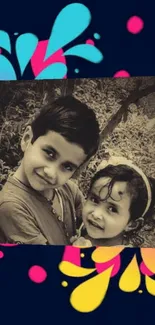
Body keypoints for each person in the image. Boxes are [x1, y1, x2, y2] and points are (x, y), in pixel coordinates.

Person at [0, 95, 100, 245]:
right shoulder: (11, 206)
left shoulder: (68, 190)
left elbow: (90, 221)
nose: (51, 173)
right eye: (50, 153)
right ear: (27, 139)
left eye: (67, 167)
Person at [72, 156, 155, 247]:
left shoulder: (119, 258)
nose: (96, 214)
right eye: (94, 200)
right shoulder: (83, 227)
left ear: (132, 224)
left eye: (112, 209)